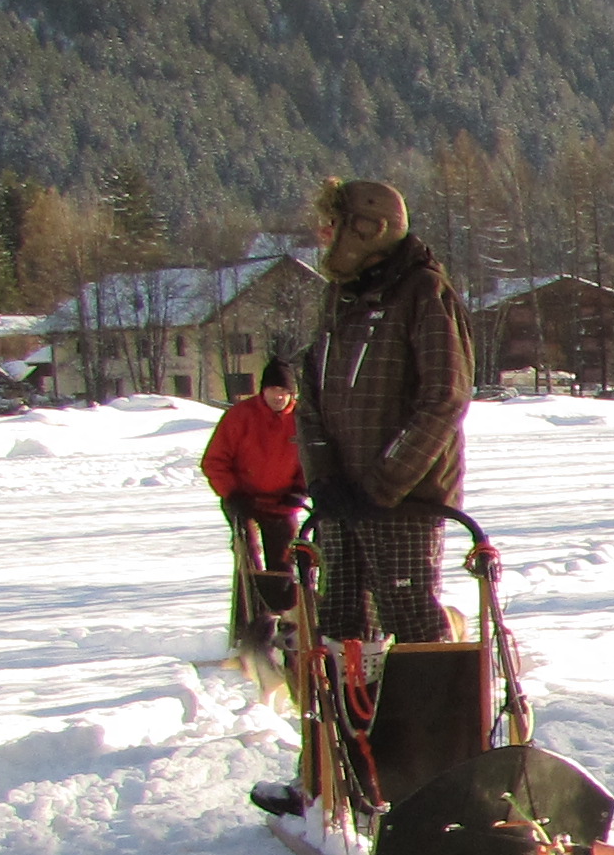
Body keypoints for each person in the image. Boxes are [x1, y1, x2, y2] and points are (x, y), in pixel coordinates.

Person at [294, 179, 471, 646]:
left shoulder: (424, 291)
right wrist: (323, 478)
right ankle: (355, 697)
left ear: (368, 228)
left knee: (410, 622)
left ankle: (429, 695)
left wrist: (382, 486)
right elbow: (310, 395)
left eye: (332, 224)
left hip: (406, 501)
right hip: (342, 499)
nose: (322, 236)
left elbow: (445, 397)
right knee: (339, 624)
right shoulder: (338, 296)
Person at [200, 355, 307, 653]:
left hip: (282, 502)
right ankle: (246, 629)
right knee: (249, 559)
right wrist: (232, 494)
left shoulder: (302, 419)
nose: (278, 397)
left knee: (283, 563)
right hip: (243, 500)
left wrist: (300, 489)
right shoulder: (240, 417)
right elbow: (214, 461)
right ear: (262, 391)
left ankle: (285, 626)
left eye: (284, 392)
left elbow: (312, 460)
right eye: (273, 390)